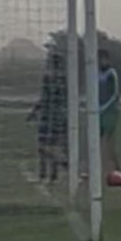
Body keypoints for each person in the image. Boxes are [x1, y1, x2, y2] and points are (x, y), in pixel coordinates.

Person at [27, 51, 67, 183]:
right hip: (57, 116)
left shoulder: (49, 78)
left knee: (44, 146)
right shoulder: (63, 79)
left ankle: (47, 172)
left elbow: (44, 98)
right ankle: (51, 174)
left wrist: (34, 111)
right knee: (51, 146)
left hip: (50, 116)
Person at [99, 49, 121, 186]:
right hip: (98, 111)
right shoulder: (96, 74)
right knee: (97, 140)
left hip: (110, 111)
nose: (101, 61)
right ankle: (111, 168)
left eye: (103, 59)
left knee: (107, 140)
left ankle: (111, 169)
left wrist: (104, 107)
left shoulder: (111, 73)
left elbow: (115, 94)